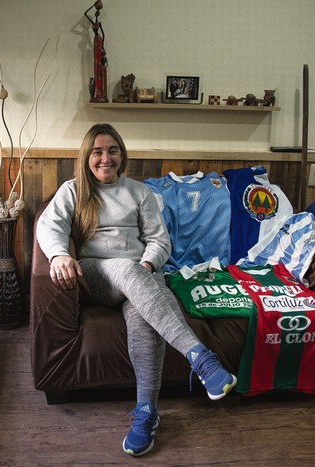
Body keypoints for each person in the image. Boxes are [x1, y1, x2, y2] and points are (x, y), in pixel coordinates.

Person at [35, 123, 237, 457]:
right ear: (87, 156)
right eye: (97, 151)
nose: (105, 158)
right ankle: (201, 358)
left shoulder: (139, 192)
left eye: (112, 150)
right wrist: (58, 255)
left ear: (121, 155)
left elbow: (159, 239)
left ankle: (146, 413)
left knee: (145, 316)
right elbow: (49, 225)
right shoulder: (73, 191)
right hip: (96, 273)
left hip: (139, 274)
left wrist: (147, 266)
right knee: (129, 271)